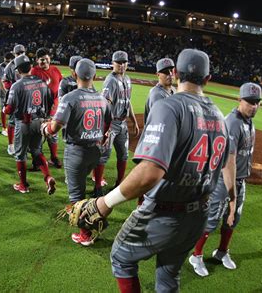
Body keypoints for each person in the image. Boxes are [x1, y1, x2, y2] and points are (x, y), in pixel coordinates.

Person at [88, 49, 230, 292]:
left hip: (166, 212)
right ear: (207, 79)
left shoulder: (170, 106)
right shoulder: (220, 116)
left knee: (122, 258)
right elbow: (220, 172)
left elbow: (149, 172)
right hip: (198, 216)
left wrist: (105, 203)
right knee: (167, 276)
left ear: (175, 74)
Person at [189, 82, 261, 277]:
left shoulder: (247, 121)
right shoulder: (233, 123)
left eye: (257, 102)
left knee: (233, 220)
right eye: (250, 102)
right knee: (212, 220)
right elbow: (228, 164)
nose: (253, 106)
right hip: (223, 180)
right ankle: (196, 255)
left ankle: (221, 252)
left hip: (239, 180)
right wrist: (232, 197)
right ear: (239, 100)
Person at [42, 58, 112, 245]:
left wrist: (44, 129)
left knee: (76, 196)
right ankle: (94, 217)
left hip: (77, 152)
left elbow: (55, 127)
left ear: (74, 74)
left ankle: (85, 235)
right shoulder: (101, 99)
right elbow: (107, 123)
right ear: (95, 76)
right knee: (85, 189)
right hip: (96, 150)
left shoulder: (70, 98)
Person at [3, 54, 56, 194]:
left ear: (18, 70)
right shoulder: (42, 82)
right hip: (40, 122)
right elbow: (51, 100)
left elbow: (9, 109)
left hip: (24, 123)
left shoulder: (17, 85)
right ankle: (47, 176)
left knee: (20, 155)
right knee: (37, 151)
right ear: (31, 67)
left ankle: (23, 185)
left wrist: (4, 109)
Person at [94, 51, 140, 196]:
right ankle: (97, 188)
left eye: (124, 62)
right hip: (112, 124)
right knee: (103, 155)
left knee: (124, 155)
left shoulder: (127, 79)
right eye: (118, 62)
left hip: (123, 124)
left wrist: (133, 120)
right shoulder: (111, 81)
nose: (121, 65)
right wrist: (105, 127)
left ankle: (119, 184)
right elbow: (105, 103)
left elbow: (127, 101)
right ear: (113, 63)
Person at [31, 47, 64, 168]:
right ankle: (38, 160)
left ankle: (54, 157)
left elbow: (61, 88)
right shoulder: (34, 71)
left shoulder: (56, 70)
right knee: (38, 135)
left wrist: (58, 104)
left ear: (49, 58)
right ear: (37, 61)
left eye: (45, 59)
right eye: (41, 60)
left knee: (52, 134)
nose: (43, 62)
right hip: (38, 110)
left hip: (54, 109)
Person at [2, 44, 26, 155]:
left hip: (28, 97)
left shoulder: (28, 63)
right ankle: (11, 145)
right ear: (14, 54)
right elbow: (5, 82)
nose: (20, 55)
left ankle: (25, 145)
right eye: (18, 53)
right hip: (15, 98)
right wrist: (14, 89)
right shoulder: (10, 66)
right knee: (12, 122)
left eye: (22, 52)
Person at [143, 57, 176, 124]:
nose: (170, 74)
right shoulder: (157, 95)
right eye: (165, 72)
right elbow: (160, 122)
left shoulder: (173, 89)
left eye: (171, 70)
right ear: (158, 74)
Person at [0, 52, 15, 136]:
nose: (6, 63)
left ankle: (13, 126)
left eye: (8, 61)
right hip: (4, 90)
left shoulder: (15, 65)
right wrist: (4, 90)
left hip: (13, 90)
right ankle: (4, 128)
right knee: (4, 108)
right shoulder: (1, 66)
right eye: (5, 61)